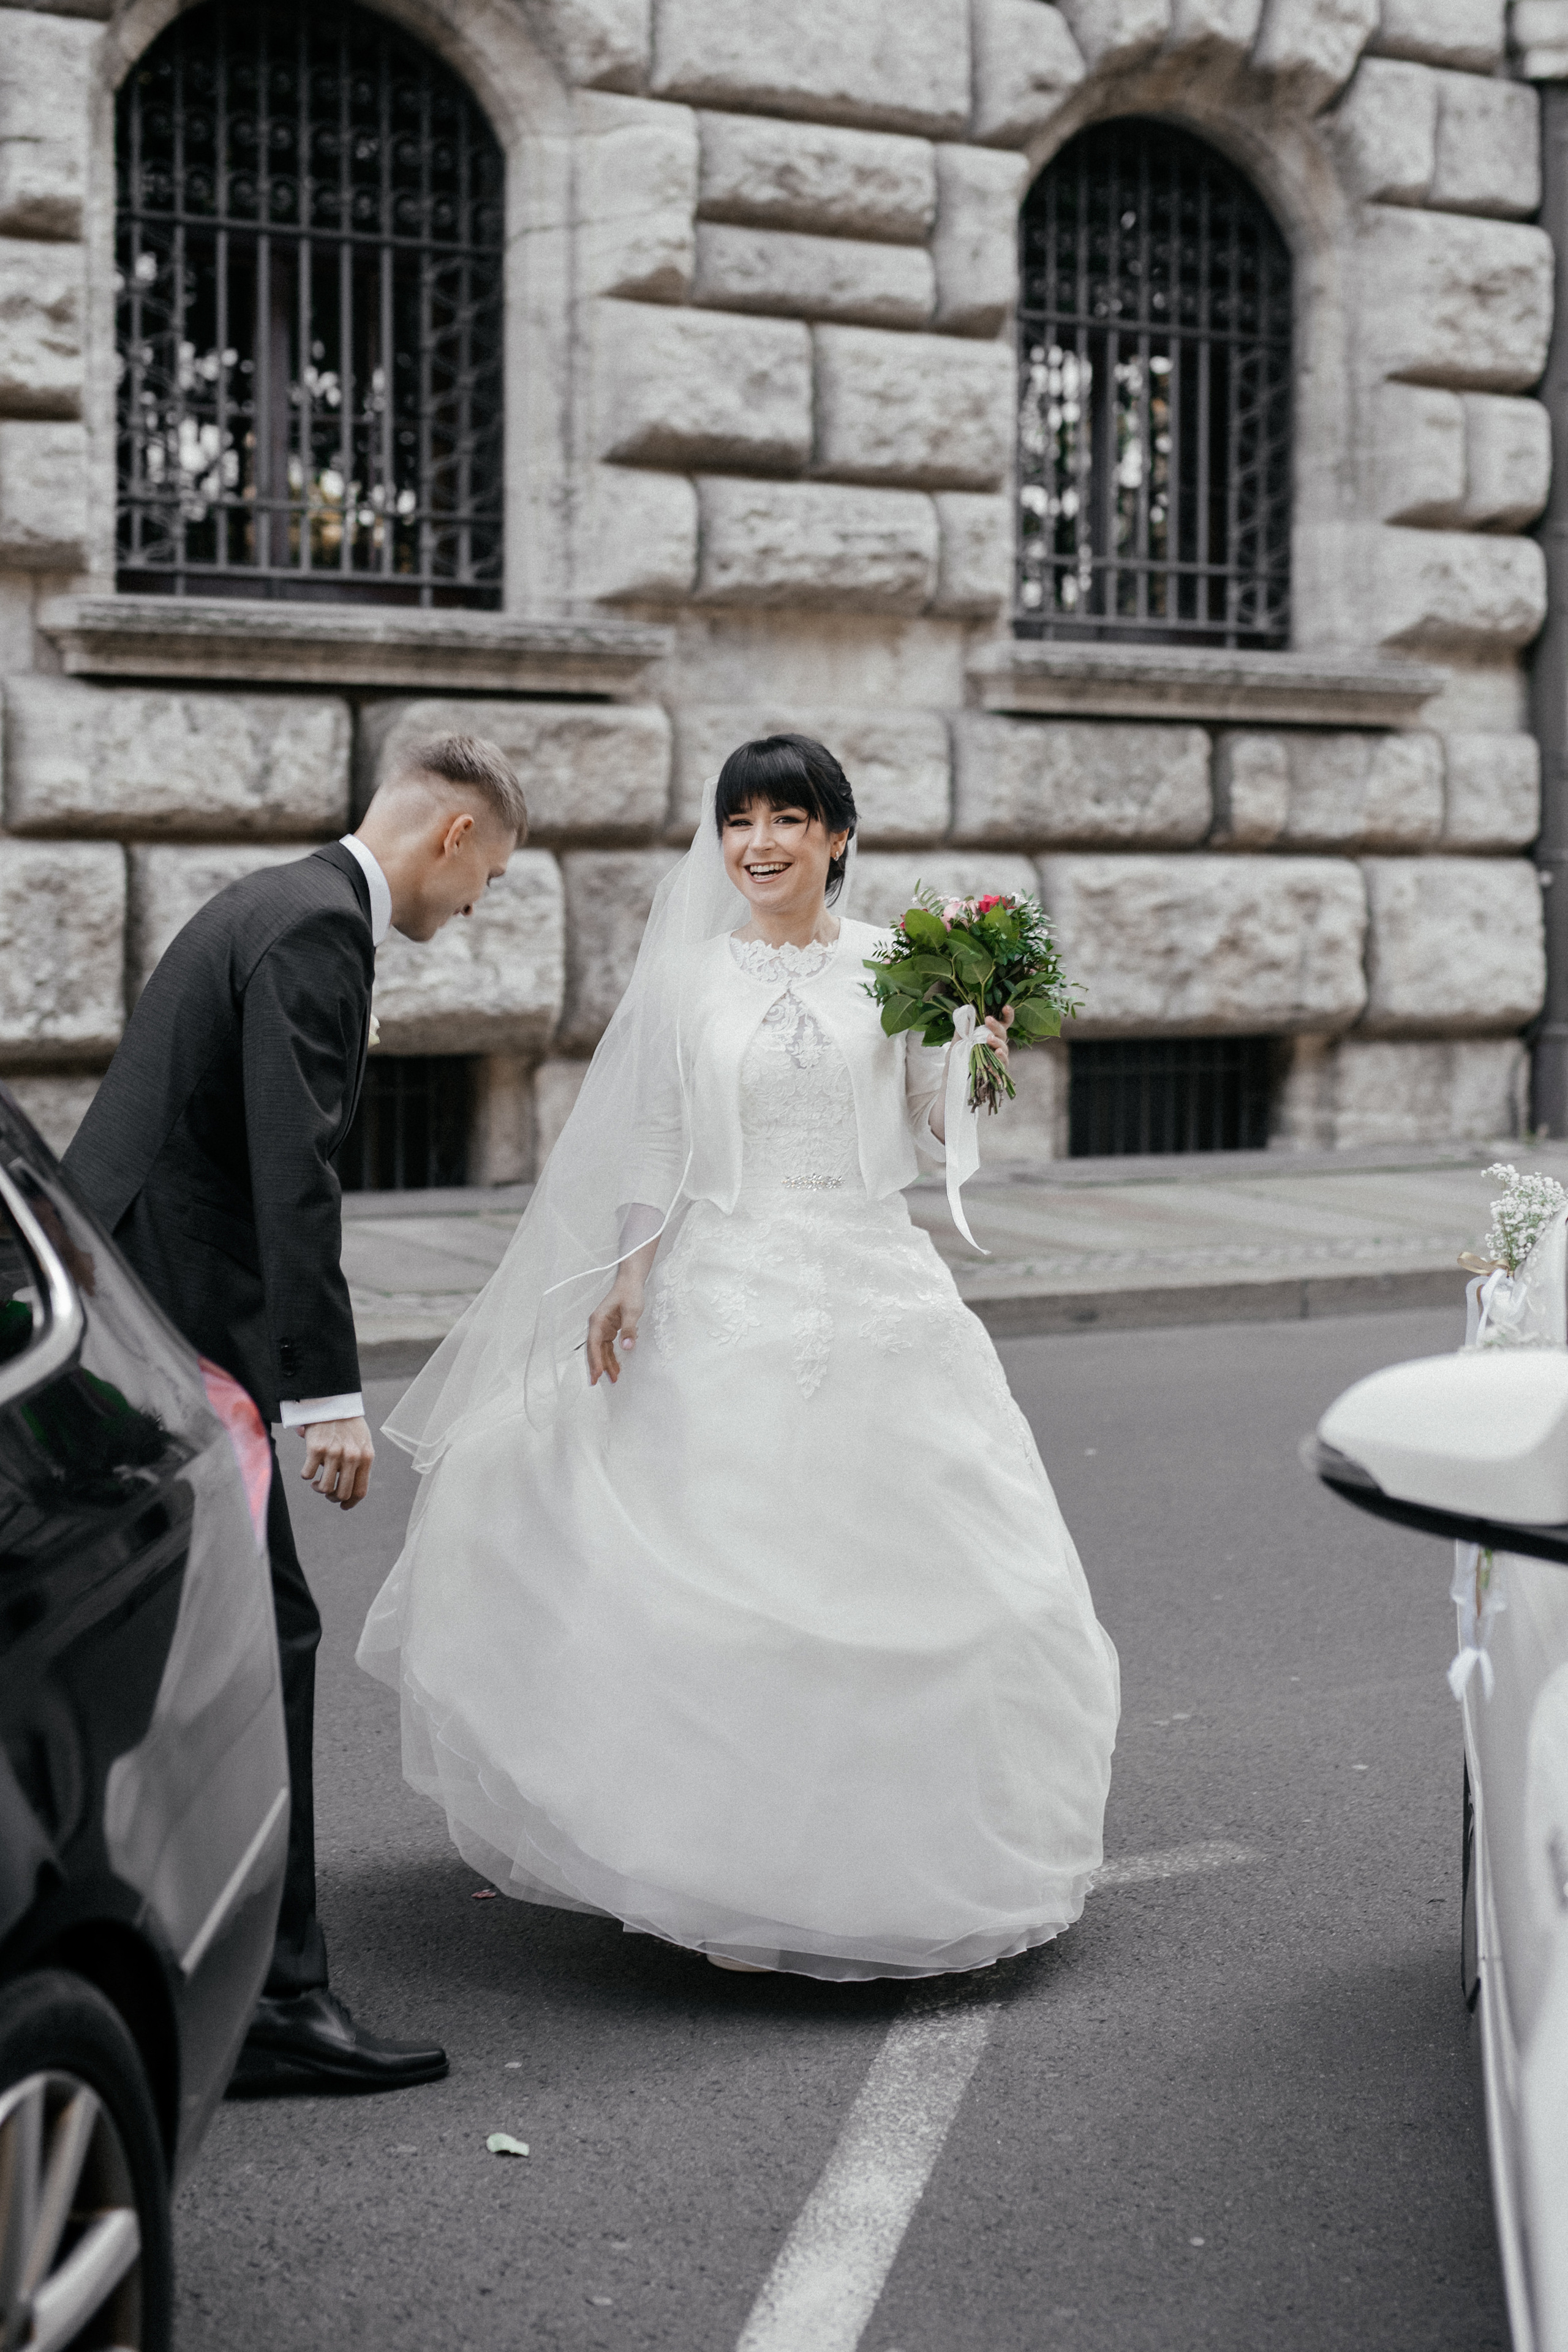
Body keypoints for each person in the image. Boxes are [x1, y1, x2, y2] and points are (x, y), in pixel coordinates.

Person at [359, 734, 1119, 1981]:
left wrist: (975, 1046)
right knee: (689, 1571)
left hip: (873, 1284)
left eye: (786, 819)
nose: (758, 844)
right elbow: (658, 1136)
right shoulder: (687, 978)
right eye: (738, 822)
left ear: (834, 834)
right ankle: (721, 1862)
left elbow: (932, 1124)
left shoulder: (897, 964)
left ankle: (907, 1863)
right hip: (724, 1280)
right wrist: (630, 1270)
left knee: (929, 1576)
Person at [66, 736, 526, 2080]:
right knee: (265, 1640)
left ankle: (183, 1957)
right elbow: (295, 1170)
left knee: (166, 1646)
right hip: (167, 1332)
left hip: (129, 1311)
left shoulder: (281, 902)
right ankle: (274, 2004)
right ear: (452, 837)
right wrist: (326, 1394)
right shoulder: (319, 928)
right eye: (490, 878)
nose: (475, 907)